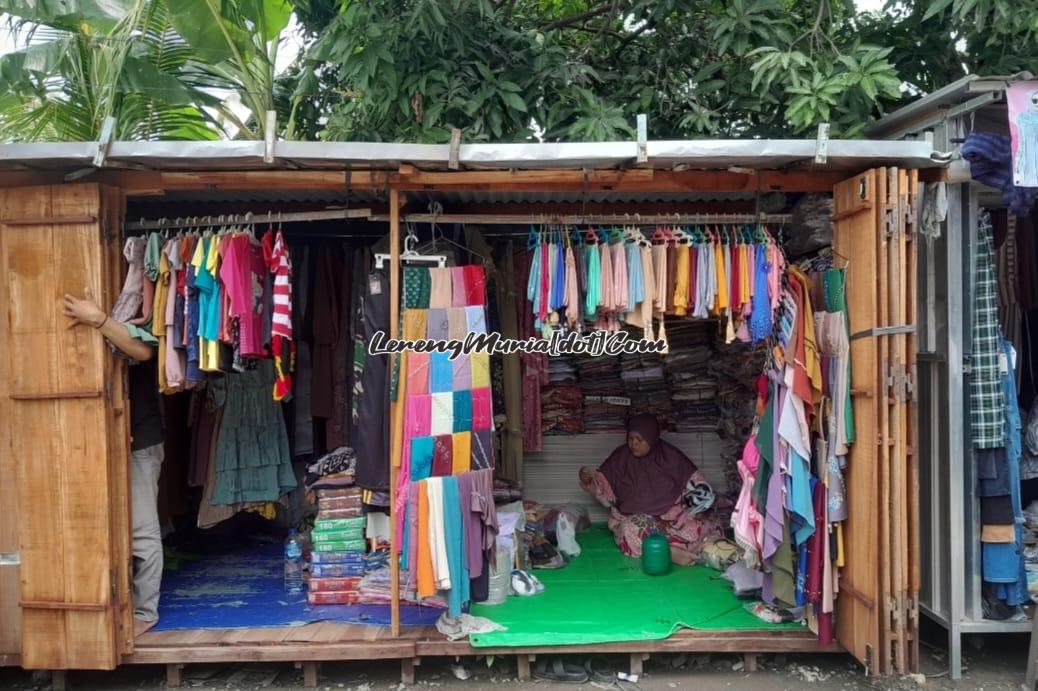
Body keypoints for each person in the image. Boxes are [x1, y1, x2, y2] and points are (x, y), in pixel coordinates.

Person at [63, 290, 164, 636]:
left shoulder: (135, 310)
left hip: (140, 436)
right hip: (101, 436)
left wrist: (99, 319)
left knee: (142, 530)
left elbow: (144, 351)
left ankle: (145, 610)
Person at [579, 414, 722, 565]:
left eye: (639, 440)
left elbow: (699, 487)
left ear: (652, 438)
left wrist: (697, 504)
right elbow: (602, 486)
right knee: (630, 528)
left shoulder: (671, 457)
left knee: (709, 522)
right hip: (638, 519)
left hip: (672, 518)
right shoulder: (620, 458)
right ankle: (670, 553)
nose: (634, 443)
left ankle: (669, 548)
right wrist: (589, 479)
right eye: (630, 438)